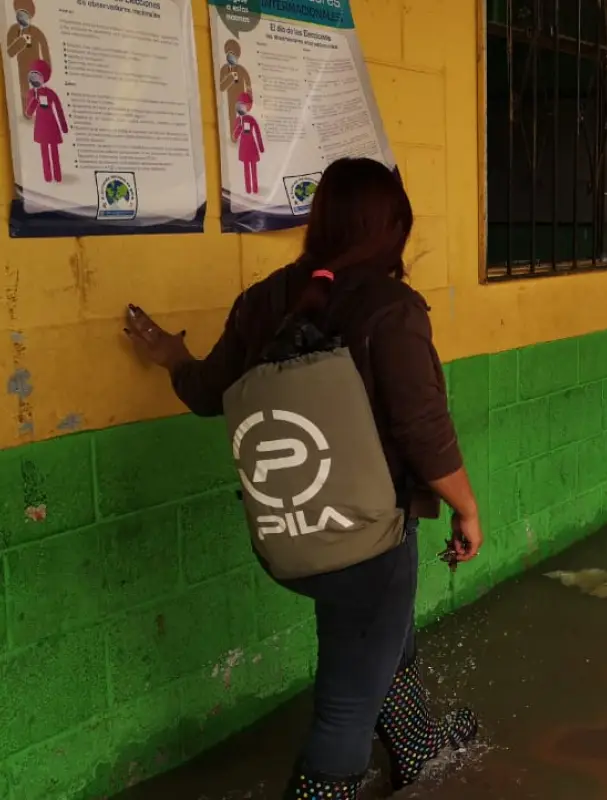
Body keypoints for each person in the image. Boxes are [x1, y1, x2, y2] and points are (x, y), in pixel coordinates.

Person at [124, 157, 483, 798]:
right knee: (345, 705)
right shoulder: (391, 308)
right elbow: (423, 429)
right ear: (392, 229)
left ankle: (419, 747)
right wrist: (467, 509)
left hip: (294, 531)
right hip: (367, 537)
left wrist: (173, 356)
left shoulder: (263, 300)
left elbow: (210, 393)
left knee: (380, 645)